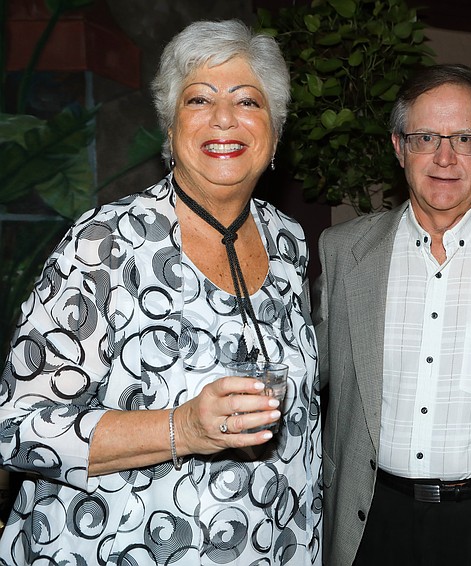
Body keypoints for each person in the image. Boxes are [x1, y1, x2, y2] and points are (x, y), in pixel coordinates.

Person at [0, 20, 321, 565]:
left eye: (248, 101)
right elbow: (18, 425)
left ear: (275, 134)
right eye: (200, 99)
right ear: (170, 132)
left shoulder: (287, 241)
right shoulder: (105, 243)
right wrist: (184, 427)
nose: (225, 118)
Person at [315, 63, 471, 566]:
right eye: (426, 137)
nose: (445, 157)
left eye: (464, 138)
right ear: (399, 147)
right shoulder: (344, 253)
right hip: (371, 519)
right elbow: (304, 372)